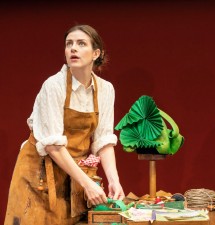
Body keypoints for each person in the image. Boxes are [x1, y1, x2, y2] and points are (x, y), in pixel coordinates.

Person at [5, 24, 125, 225]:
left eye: (81, 43)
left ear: (96, 53)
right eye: (69, 44)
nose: (73, 49)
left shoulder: (105, 90)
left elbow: (104, 140)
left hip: (72, 177)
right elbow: (53, 146)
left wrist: (114, 180)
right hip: (38, 177)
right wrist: (87, 183)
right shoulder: (54, 86)